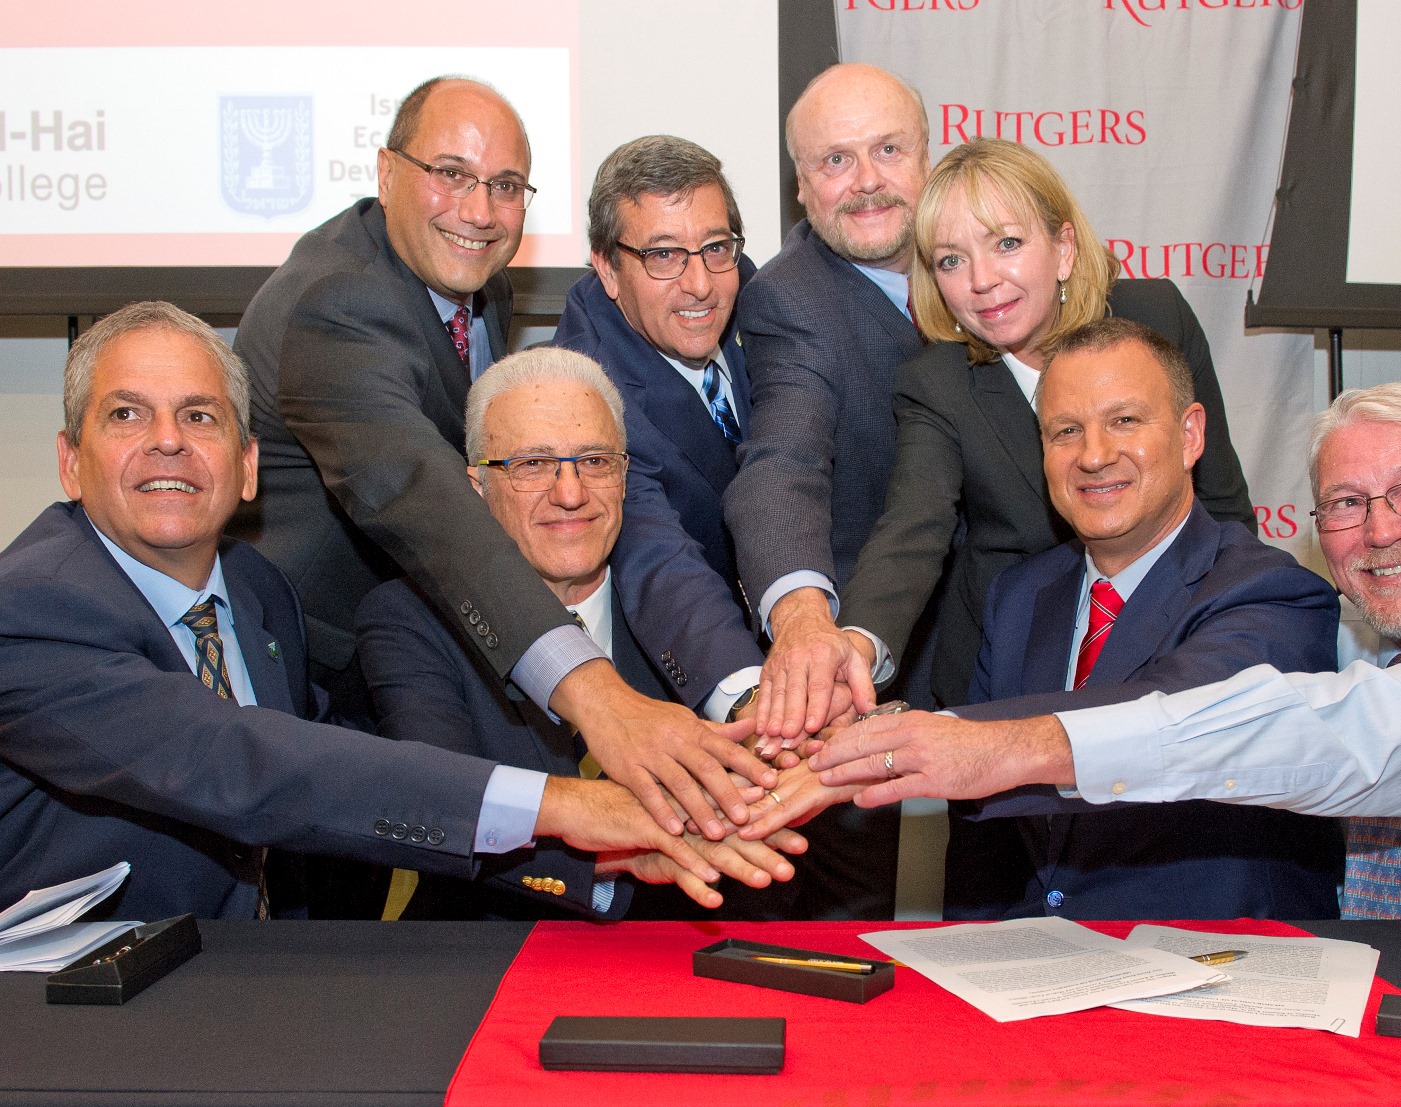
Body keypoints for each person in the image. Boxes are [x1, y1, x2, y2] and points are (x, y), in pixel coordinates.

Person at [0, 302, 785, 922]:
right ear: (70, 460)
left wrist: (607, 846)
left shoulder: (255, 591)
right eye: (128, 415)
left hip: (270, 990)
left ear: (247, 469)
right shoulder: (30, 607)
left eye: (200, 415)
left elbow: (331, 757)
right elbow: (246, 761)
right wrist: (575, 807)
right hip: (80, 1015)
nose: (168, 441)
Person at [230, 77, 778, 884]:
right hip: (314, 670)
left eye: (506, 186)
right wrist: (596, 692)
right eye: (450, 174)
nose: (480, 211)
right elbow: (422, 495)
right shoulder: (336, 301)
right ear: (385, 173)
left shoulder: (476, 277)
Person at [812, 381, 1401, 919]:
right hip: (1384, 991)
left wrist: (1011, 746)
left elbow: (1346, 732)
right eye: (1348, 504)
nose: (1383, 531)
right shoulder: (1360, 624)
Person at [748, 319, 1340, 921]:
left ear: (1190, 435)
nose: (1094, 455)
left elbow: (1164, 715)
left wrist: (906, 742)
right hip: (1021, 979)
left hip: (1211, 978)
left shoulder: (1275, 594)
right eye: (1065, 431)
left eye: (1125, 421)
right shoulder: (1021, 596)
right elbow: (982, 831)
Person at [358, 347, 803, 920]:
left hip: (684, 946)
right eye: (532, 465)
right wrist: (624, 846)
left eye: (594, 461)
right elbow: (444, 812)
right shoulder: (409, 620)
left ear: (624, 477)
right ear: (474, 489)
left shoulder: (686, 611)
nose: (570, 493)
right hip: (494, 951)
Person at [840, 138, 1254, 709]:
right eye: (951, 260)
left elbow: (1221, 499)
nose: (981, 280)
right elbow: (911, 530)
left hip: (1171, 641)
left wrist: (1238, 621)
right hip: (1008, 669)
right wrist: (857, 647)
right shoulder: (937, 382)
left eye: (1006, 243)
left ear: (1063, 248)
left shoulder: (1155, 318)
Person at [719, 63, 935, 916]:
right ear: (801, 187)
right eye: (836, 161)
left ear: (929, 156)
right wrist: (804, 619)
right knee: (837, 932)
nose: (869, 181)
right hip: (843, 677)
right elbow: (782, 461)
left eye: (888, 150)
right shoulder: (790, 301)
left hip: (1005, 645)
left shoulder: (987, 259)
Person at [553, 136, 758, 626]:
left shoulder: (752, 288)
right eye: (663, 255)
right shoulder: (588, 399)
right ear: (607, 267)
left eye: (714, 247)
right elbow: (662, 567)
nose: (700, 284)